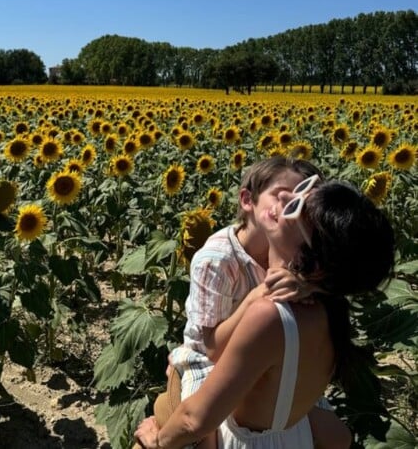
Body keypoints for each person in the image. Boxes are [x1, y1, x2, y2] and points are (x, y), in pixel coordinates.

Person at [134, 179, 396, 449]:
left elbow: (194, 421)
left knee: (164, 411)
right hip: (292, 438)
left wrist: (155, 443)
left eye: (295, 207)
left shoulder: (271, 317)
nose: (283, 196)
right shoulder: (328, 309)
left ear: (313, 262)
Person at [166, 157, 349, 449]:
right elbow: (210, 346)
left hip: (267, 355)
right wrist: (258, 294)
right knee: (204, 435)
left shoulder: (296, 258)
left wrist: (306, 284)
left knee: (337, 437)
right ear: (247, 200)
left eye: (303, 205)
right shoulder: (218, 260)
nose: (292, 205)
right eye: (283, 196)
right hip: (207, 357)